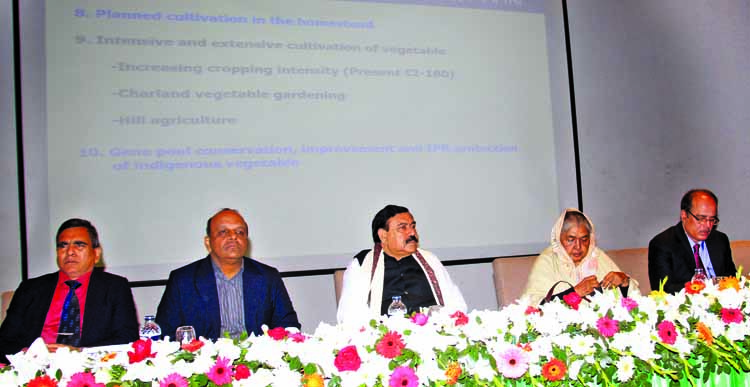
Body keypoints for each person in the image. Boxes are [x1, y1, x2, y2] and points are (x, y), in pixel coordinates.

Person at [0, 218, 139, 363]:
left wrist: (80, 353)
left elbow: (127, 339)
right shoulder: (30, 289)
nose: (70, 252)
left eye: (79, 245)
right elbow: (4, 342)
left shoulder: (114, 287)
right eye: (63, 246)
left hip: (89, 370)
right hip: (35, 371)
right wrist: (28, 354)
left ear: (96, 254)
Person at [156, 208, 300, 340]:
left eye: (240, 232)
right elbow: (166, 334)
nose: (233, 237)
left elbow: (288, 326)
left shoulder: (268, 277)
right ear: (208, 242)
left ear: (246, 241)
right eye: (223, 232)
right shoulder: (183, 281)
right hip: (205, 364)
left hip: (258, 364)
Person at [336, 205, 466, 324]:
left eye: (413, 226)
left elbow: (456, 303)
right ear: (383, 235)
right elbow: (349, 314)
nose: (412, 233)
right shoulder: (362, 264)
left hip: (434, 335)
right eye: (403, 228)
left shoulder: (430, 260)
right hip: (387, 340)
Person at [522, 209, 639, 305]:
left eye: (584, 239)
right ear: (558, 238)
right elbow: (534, 306)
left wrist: (624, 281)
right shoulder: (548, 260)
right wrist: (575, 292)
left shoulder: (597, 255)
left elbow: (631, 303)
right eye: (571, 240)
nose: (578, 246)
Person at [648, 189, 736, 293]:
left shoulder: (720, 240)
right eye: (701, 218)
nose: (708, 226)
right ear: (684, 215)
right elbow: (664, 289)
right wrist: (706, 287)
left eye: (712, 219)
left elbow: (732, 278)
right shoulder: (663, 244)